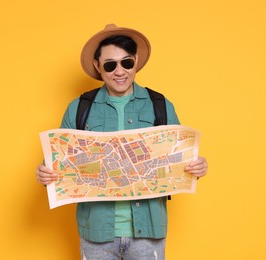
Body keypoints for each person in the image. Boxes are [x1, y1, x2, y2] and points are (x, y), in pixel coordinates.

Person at [36, 24, 208, 260]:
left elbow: (180, 160)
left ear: (136, 60)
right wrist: (45, 173)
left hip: (148, 233)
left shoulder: (160, 104)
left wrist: (196, 167)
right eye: (110, 65)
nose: (120, 72)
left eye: (126, 62)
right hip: (96, 234)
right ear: (98, 66)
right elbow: (56, 163)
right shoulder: (79, 108)